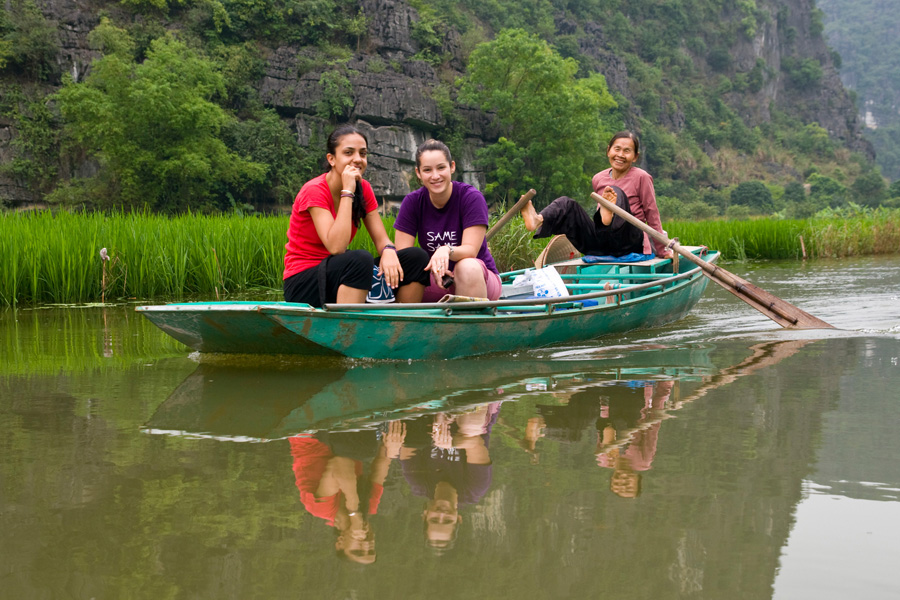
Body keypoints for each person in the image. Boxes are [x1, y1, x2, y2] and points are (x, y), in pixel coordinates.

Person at [283, 124, 431, 307]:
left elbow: (381, 239)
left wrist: (389, 251)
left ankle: (401, 327)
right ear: (331, 159)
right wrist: (348, 191)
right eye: (348, 153)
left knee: (416, 258)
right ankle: (347, 331)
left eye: (363, 153)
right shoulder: (314, 190)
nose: (357, 159)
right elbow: (336, 247)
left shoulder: (365, 188)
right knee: (360, 259)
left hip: (342, 273)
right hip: (304, 281)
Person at [520, 131, 673, 259]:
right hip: (602, 241)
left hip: (629, 241)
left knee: (616, 193)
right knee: (567, 204)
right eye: (617, 149)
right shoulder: (598, 178)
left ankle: (609, 215)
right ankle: (538, 220)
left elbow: (652, 214)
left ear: (635, 157)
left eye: (627, 151)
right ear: (608, 151)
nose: (620, 155)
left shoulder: (642, 177)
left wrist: (662, 250)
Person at [393, 139, 502, 302]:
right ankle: (407, 325)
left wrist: (446, 250)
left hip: (478, 278)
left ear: (452, 166)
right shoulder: (413, 202)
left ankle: (471, 325)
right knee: (407, 274)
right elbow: (404, 256)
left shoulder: (470, 198)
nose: (435, 176)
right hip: (437, 280)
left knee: (467, 266)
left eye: (441, 168)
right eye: (427, 170)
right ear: (418, 173)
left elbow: (470, 250)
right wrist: (435, 269)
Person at [288, 422, 407, 564]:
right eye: (371, 550)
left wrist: (354, 511)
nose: (367, 546)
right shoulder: (370, 506)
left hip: (310, 433)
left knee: (363, 449)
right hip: (346, 437)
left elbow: (341, 461)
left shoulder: (321, 509)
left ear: (340, 543)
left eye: (358, 551)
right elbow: (382, 462)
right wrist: (392, 447)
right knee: (411, 439)